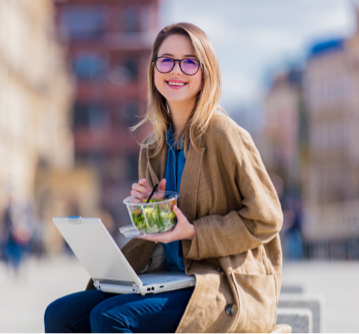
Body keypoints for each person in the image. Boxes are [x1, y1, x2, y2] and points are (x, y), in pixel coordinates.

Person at [45, 22, 283, 333]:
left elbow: (266, 219)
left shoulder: (224, 134)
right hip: (171, 276)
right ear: (154, 70)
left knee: (110, 318)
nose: (176, 71)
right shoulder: (153, 147)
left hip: (221, 283)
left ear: (205, 71)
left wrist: (194, 233)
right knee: (59, 314)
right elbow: (164, 233)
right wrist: (148, 214)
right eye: (166, 60)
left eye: (189, 62)